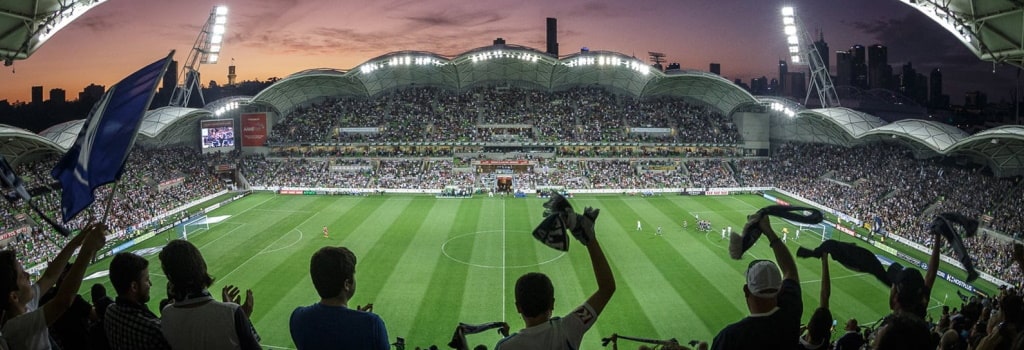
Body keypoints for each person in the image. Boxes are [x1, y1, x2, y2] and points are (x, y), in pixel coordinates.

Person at [496, 207, 614, 350]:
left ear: (518, 307)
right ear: (552, 304)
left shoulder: (504, 346)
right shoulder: (567, 329)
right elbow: (607, 288)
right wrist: (590, 239)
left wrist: (508, 336)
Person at [0, 222, 107, 350]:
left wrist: (77, 241)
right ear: (14, 296)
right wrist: (88, 250)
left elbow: (50, 276)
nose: (28, 274)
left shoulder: (24, 305)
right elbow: (63, 301)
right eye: (22, 275)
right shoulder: (14, 328)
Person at [711, 215, 801, 350]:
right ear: (780, 289)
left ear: (746, 290)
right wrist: (769, 232)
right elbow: (791, 271)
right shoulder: (790, 316)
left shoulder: (730, 337)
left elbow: (790, 272)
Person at [158, 239, 260, 349]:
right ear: (202, 266)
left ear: (170, 278)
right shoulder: (231, 313)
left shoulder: (166, 315)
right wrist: (243, 319)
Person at [290, 246, 388, 350]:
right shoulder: (372, 325)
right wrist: (361, 320)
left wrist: (357, 318)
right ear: (347, 284)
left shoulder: (298, 318)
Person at [104, 252, 170, 350]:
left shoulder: (110, 312)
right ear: (134, 287)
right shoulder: (152, 330)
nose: (150, 284)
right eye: (147, 279)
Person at [799, 252, 832, 349]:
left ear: (808, 325)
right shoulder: (824, 341)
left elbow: (825, 296)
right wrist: (825, 261)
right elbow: (825, 296)